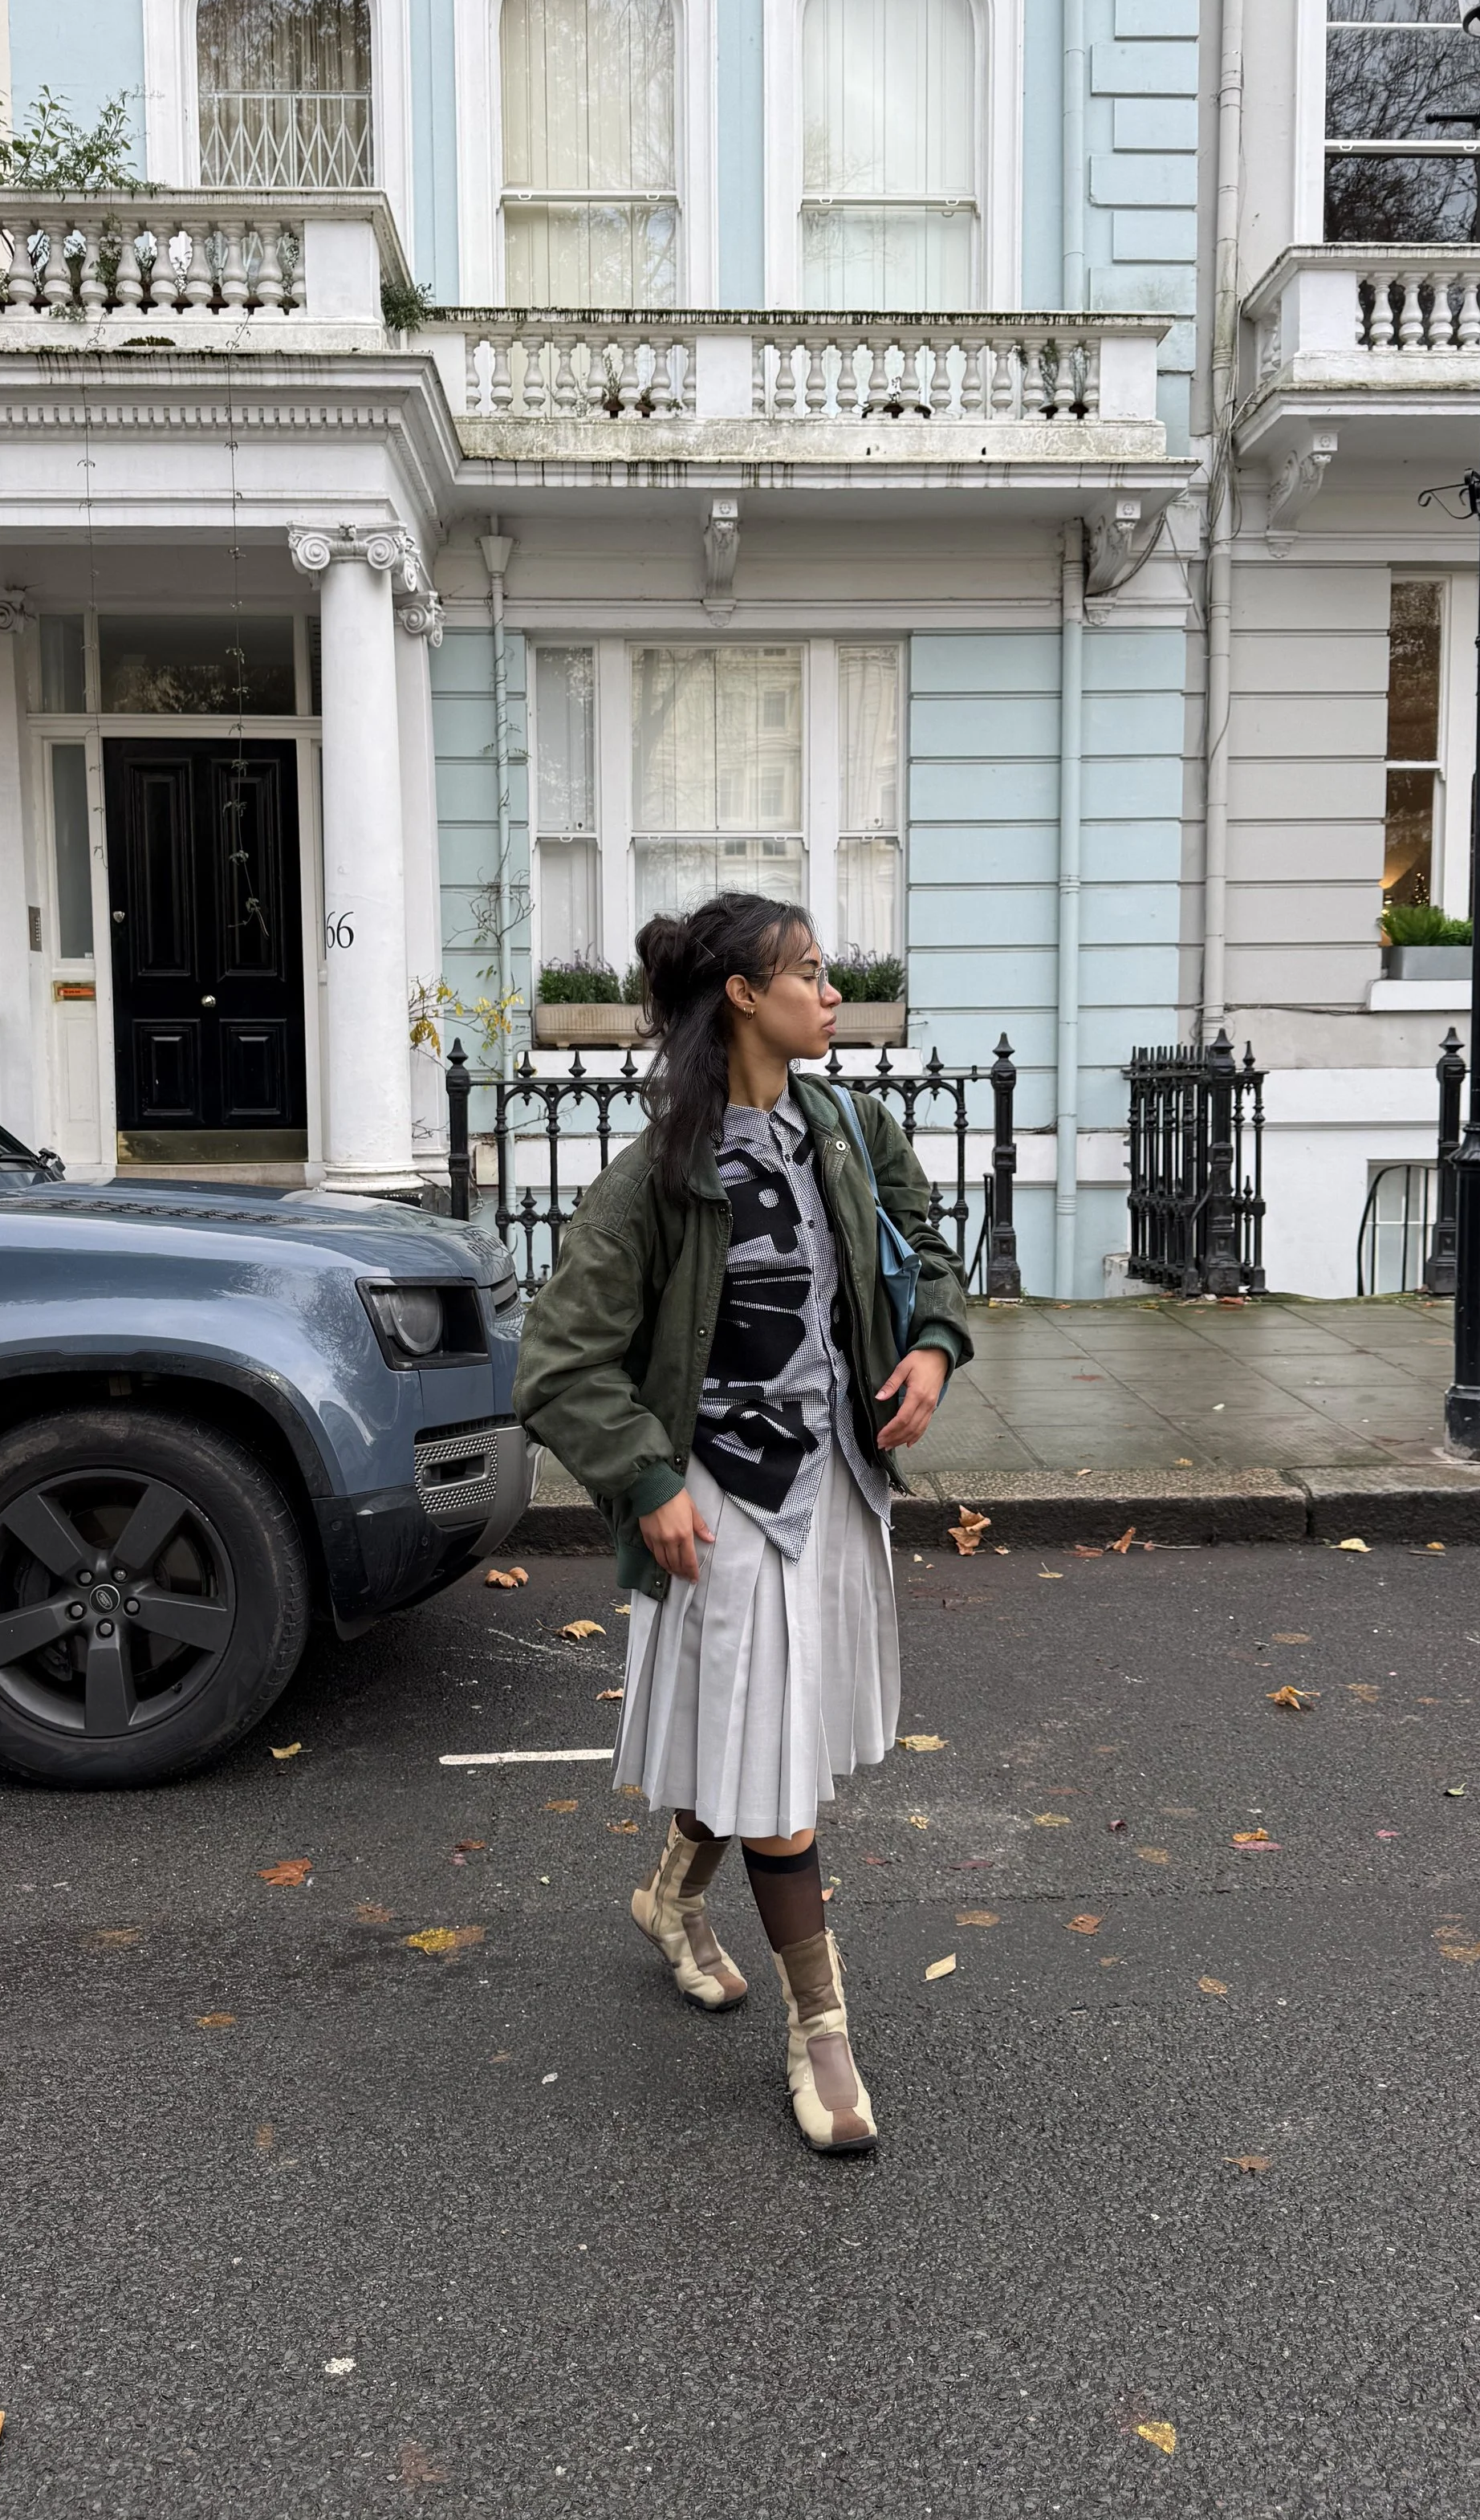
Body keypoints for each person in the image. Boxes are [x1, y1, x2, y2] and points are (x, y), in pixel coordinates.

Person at [513, 892, 972, 2152]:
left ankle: (670, 1899)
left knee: (763, 1736)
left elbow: (929, 1245)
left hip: (833, 1487)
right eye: (811, 974)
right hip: (722, 1506)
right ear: (743, 996)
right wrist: (647, 1481)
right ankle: (820, 2032)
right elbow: (557, 1362)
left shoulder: (851, 1124)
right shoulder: (662, 1174)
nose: (834, 995)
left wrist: (932, 1349)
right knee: (769, 1759)